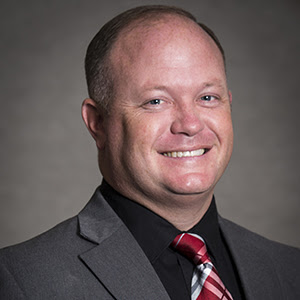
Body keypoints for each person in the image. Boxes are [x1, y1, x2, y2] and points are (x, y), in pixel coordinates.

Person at [0, 5, 299, 300]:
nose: (190, 125)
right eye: (156, 101)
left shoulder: (290, 269)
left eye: (207, 97)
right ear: (98, 123)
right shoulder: (20, 280)